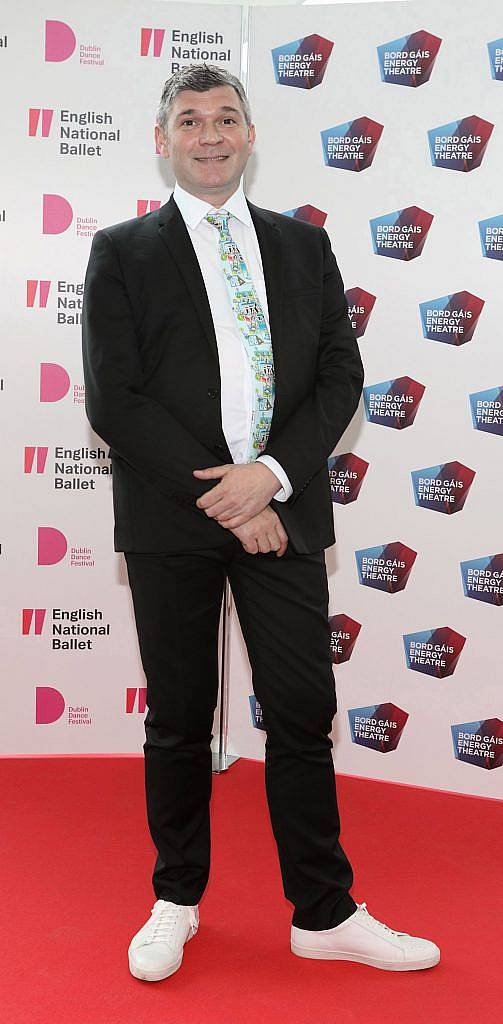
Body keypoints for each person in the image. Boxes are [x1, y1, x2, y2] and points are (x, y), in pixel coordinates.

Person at [82, 64, 440, 982]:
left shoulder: (300, 247)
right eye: (190, 120)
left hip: (284, 510)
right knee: (177, 719)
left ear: (249, 135)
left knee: (302, 712)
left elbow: (338, 379)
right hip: (173, 519)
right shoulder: (122, 251)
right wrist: (232, 498)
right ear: (161, 140)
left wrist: (271, 479)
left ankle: (322, 913)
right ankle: (176, 899)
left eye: (226, 119)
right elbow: (117, 401)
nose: (210, 135)